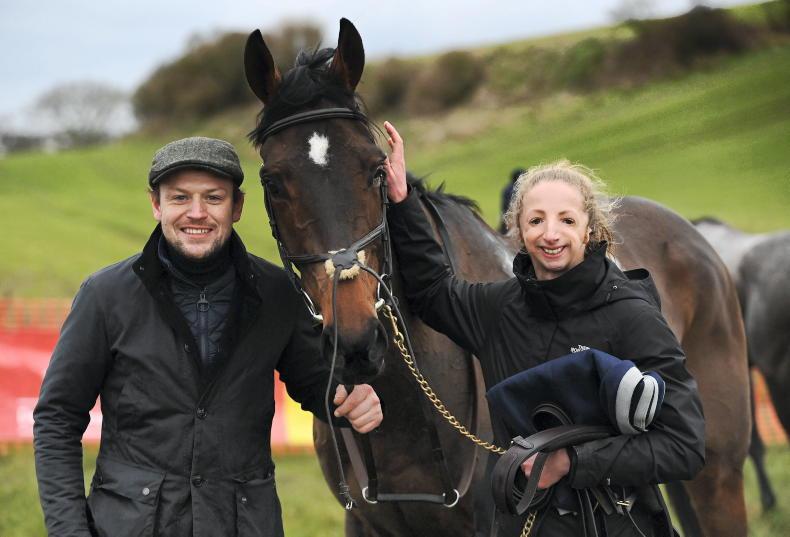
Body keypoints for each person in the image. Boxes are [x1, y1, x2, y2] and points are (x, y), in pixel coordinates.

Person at [33, 136, 383, 537]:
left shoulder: (278, 292)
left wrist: (352, 399)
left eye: (213, 198)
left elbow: (318, 385)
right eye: (180, 198)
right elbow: (57, 419)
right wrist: (69, 531)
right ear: (156, 204)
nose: (196, 213)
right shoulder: (104, 295)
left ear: (237, 207)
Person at [381, 121, 704, 536]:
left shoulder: (632, 316)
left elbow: (683, 445)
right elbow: (432, 292)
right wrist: (403, 201)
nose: (551, 234)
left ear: (590, 229)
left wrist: (571, 462)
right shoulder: (497, 310)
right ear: (518, 229)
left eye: (567, 220)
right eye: (536, 221)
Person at [499, 167, 525, 233]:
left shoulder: (507, 188)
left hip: (507, 214)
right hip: (513, 215)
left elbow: (504, 205)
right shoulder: (522, 188)